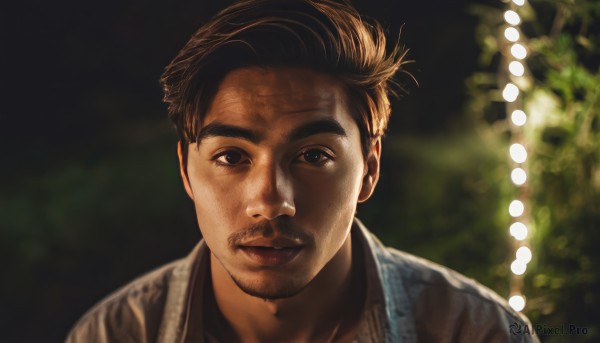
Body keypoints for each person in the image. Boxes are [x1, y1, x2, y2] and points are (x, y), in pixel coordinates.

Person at [66, 0, 538, 342]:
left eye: (314, 156)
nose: (271, 201)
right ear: (187, 173)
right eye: (231, 156)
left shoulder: (479, 332)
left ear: (369, 169)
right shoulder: (114, 334)